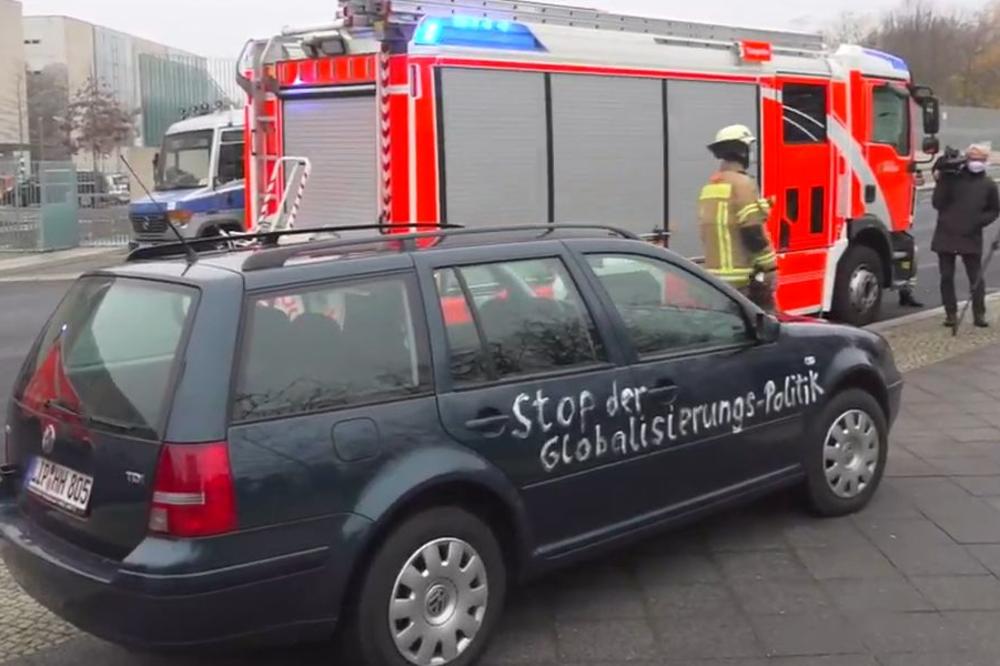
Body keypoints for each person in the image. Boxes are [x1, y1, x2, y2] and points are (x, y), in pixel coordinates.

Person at [698, 125, 778, 312]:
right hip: (741, 280)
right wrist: (770, 267)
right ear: (741, 151)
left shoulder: (710, 186)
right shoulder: (743, 184)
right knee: (767, 326)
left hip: (715, 278)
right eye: (748, 148)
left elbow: (724, 223)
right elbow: (752, 232)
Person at [931, 143, 1000, 328]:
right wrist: (942, 179)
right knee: (946, 276)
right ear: (966, 159)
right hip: (946, 233)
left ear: (986, 161)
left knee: (976, 277)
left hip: (971, 236)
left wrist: (979, 220)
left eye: (980, 159)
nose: (976, 162)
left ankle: (979, 314)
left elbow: (995, 209)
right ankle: (951, 314)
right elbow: (937, 203)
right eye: (973, 159)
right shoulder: (952, 180)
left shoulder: (988, 185)